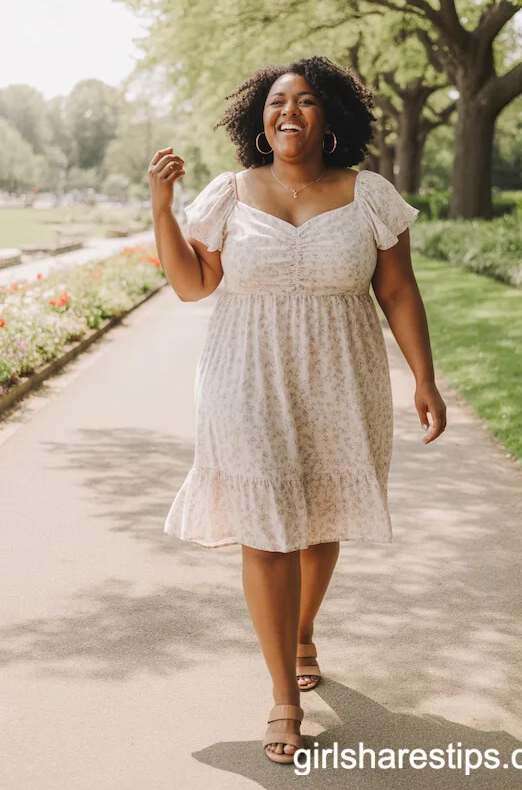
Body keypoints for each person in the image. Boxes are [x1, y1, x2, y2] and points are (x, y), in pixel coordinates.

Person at [149, 55, 447, 765]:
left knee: (319, 521)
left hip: (343, 378)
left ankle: (302, 626)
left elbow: (398, 292)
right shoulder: (229, 193)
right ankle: (284, 695)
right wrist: (162, 210)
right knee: (269, 530)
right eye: (278, 101)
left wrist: (425, 379)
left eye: (308, 101)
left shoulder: (369, 195)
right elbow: (193, 285)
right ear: (260, 119)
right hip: (245, 377)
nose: (290, 111)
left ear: (332, 120)